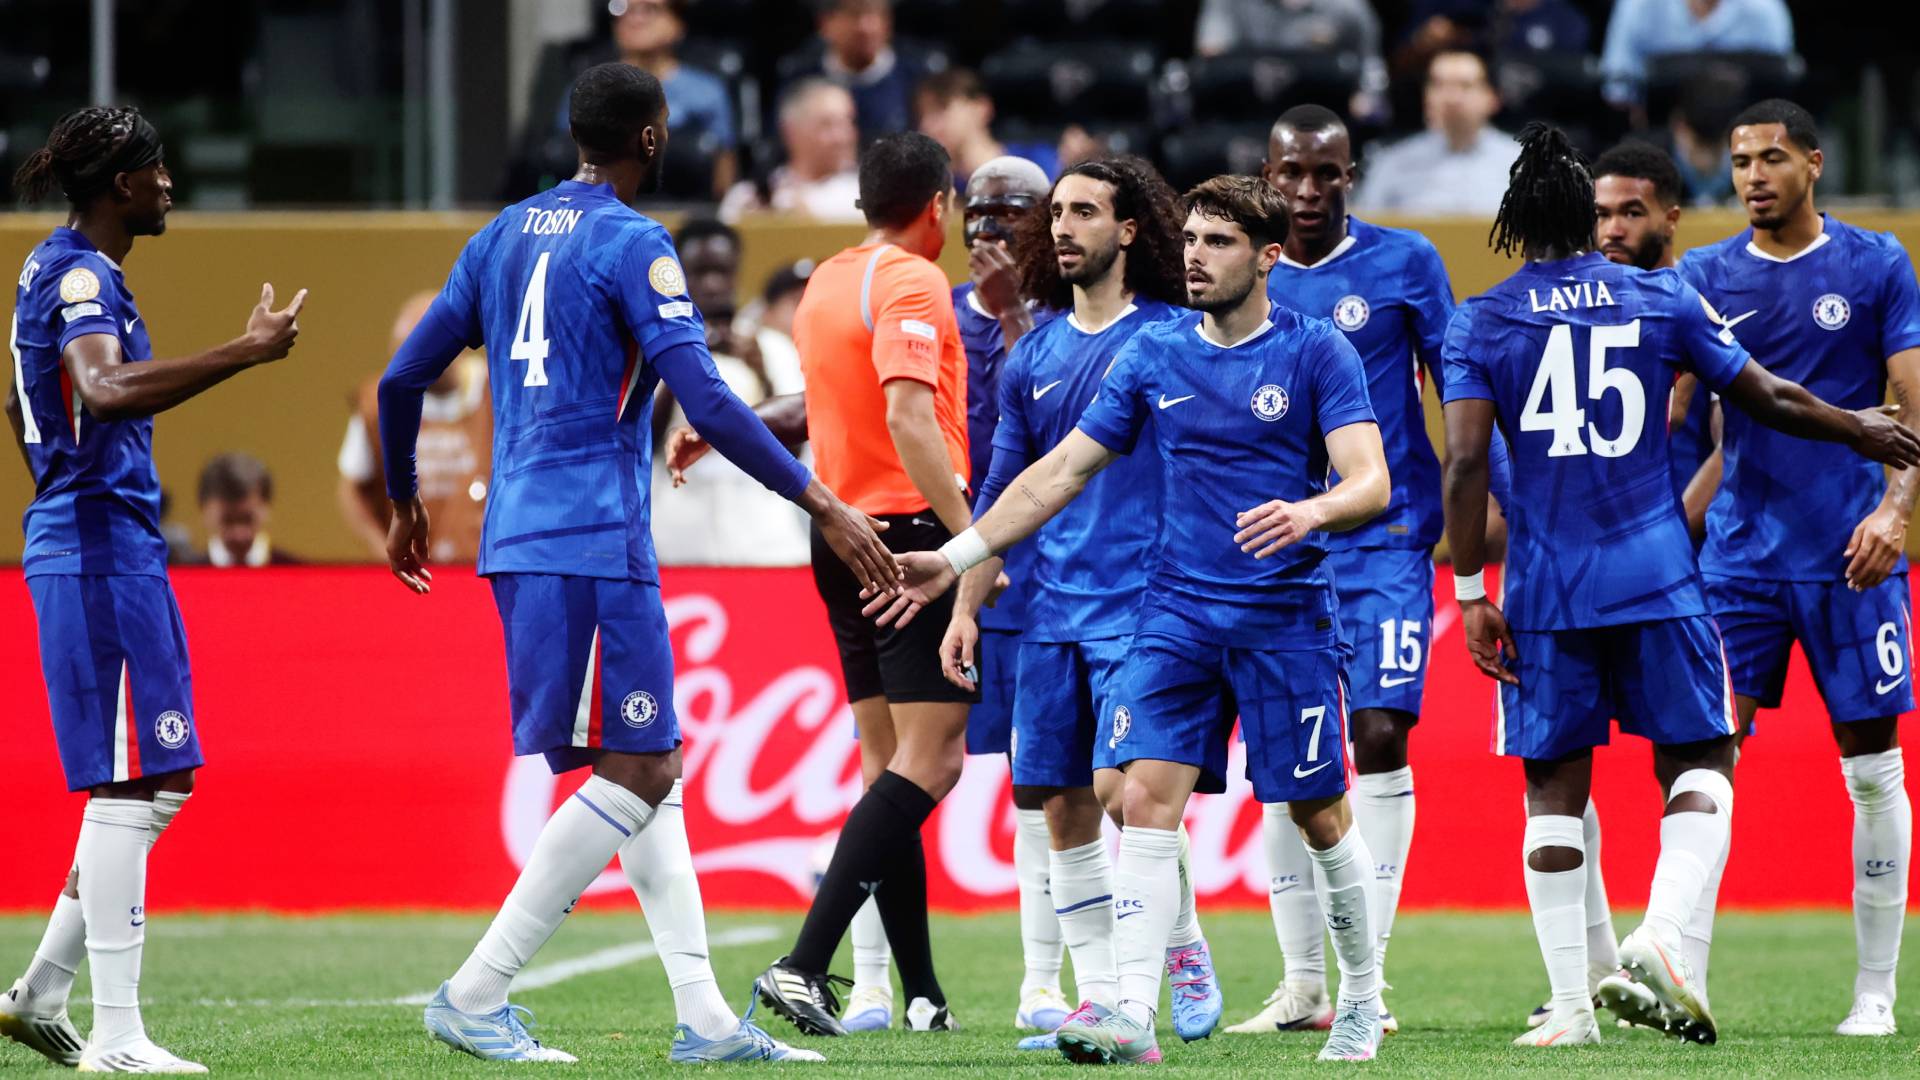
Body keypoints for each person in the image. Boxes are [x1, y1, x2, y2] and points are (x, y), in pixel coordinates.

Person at [375, 61, 893, 1065]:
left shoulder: (501, 236)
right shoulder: (631, 241)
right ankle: (476, 990)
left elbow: (403, 375)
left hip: (525, 537)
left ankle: (703, 1021)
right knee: (645, 762)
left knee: (649, 769)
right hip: (591, 543)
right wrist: (821, 499)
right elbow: (706, 399)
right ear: (652, 137)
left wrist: (403, 502)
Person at [877, 174, 1396, 1065]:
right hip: (1176, 614)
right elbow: (1055, 472)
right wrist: (958, 560)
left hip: (1283, 619)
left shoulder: (1315, 354)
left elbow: (1371, 480)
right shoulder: (1154, 356)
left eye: (1220, 242)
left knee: (1318, 812)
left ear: (1268, 258)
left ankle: (1361, 997)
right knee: (1144, 799)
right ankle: (1125, 1009)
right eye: (1191, 238)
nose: (1196, 255)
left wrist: (1312, 513)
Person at [1440, 121, 1920, 1048]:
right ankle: (1661, 934)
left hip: (1545, 589)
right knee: (1700, 762)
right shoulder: (1661, 298)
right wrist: (1860, 430)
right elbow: (1768, 398)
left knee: (1552, 787)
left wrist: (1468, 589)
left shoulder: (1482, 317)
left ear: (1511, 222)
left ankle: (1572, 1010)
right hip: (1661, 575)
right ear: (1587, 217)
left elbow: (1463, 464)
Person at [0, 105, 306, 1074]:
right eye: (154, 167)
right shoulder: (85, 274)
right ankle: (119, 1037)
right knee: (132, 781)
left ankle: (43, 990)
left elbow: (18, 398)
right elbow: (100, 390)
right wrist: (244, 352)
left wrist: (57, 481)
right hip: (99, 547)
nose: (168, 182)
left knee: (157, 776)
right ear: (115, 185)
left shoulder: (53, 267)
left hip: (100, 537)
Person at [950, 156, 1224, 1053]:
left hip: (1146, 605)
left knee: (1123, 794)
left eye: (1083, 213)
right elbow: (1004, 488)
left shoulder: (1177, 338)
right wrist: (965, 603)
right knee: (1056, 803)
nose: (1061, 227)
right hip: (1050, 612)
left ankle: (1179, 948)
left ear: (1132, 228)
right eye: (1055, 214)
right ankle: (1102, 1001)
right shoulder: (1033, 352)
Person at [1675, 98, 1920, 1038]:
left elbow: (1909, 410)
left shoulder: (1873, 264)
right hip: (1739, 563)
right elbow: (1690, 420)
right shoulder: (1703, 273)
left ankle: (1875, 994)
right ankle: (1682, 982)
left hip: (1852, 560)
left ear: (1814, 163)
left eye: (1772, 158)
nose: (1752, 177)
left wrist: (1894, 511)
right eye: (1739, 161)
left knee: (1871, 771)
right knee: (1706, 759)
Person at [1230, 103, 1458, 1038]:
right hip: (1277, 545)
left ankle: (1371, 973)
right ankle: (1303, 987)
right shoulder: (1245, 269)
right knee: (1292, 754)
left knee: (1379, 732)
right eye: (1293, 174)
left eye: (1328, 174)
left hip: (1384, 533)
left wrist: (1483, 540)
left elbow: (1461, 391)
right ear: (1268, 173)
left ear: (1351, 175)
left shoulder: (1407, 263)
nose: (1309, 192)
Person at [745, 131, 975, 1039]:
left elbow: (824, 405)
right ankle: (802, 964)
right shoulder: (915, 280)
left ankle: (921, 993)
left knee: (889, 769)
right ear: (939, 205)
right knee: (935, 761)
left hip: (838, 536)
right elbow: (907, 415)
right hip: (909, 538)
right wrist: (973, 543)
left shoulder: (827, 281)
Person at [834, 155, 1063, 1035]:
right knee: (891, 772)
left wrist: (1015, 319)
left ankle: (1041, 985)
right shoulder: (928, 306)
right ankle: (870, 987)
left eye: (1012, 216)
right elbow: (862, 393)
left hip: (1043, 580)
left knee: (1046, 783)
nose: (988, 234)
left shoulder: (1059, 327)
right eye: (980, 215)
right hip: (940, 567)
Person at [649, 218, 809, 567]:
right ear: (678, 274)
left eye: (721, 271)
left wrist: (761, 372)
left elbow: (797, 446)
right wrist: (681, 370)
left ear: (736, 272)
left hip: (763, 540)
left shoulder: (771, 348)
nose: (712, 284)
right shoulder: (652, 351)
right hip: (678, 539)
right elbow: (642, 443)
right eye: (699, 272)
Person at [507, 0, 738, 199]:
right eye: (623, 8)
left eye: (649, 9)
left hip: (684, 209)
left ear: (678, 24)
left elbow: (724, 167)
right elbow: (566, 151)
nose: (634, 19)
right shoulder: (589, 85)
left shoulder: (706, 90)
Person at [337, 292, 491, 564]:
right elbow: (352, 489)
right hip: (416, 569)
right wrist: (381, 549)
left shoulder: (495, 391)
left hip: (481, 565)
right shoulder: (379, 404)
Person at [1354, 49, 1520, 217]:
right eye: (1439, 85)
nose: (1451, 97)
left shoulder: (1524, 164)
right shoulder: (1392, 162)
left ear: (1493, 97)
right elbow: (1367, 231)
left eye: (1465, 85)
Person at [1192, 0, 1387, 121]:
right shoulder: (1232, 4)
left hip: (1319, 113)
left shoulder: (1346, 6)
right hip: (1247, 111)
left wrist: (1367, 97)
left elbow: (1371, 64)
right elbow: (1211, 57)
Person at [778, 0, 928, 145]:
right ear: (824, 23)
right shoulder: (800, 79)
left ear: (888, 21)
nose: (864, 27)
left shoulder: (918, 76)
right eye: (853, 14)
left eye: (873, 13)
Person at [1599, 0, 1795, 108]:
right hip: (1660, 140)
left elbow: (1779, 96)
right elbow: (1617, 90)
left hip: (1745, 137)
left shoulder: (1766, 11)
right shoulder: (1637, 6)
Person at [718, 79, 862, 223]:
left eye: (849, 122)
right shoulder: (747, 196)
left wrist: (805, 219)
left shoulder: (866, 195)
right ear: (790, 131)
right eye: (827, 125)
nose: (844, 137)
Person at [914, 69, 1058, 188]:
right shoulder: (936, 191)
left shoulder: (1040, 161)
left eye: (940, 109)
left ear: (982, 108)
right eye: (921, 115)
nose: (926, 125)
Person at [194, 452, 300, 567]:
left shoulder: (300, 576)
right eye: (227, 520)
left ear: (266, 508)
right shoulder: (178, 577)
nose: (239, 534)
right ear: (204, 511)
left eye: (248, 519)